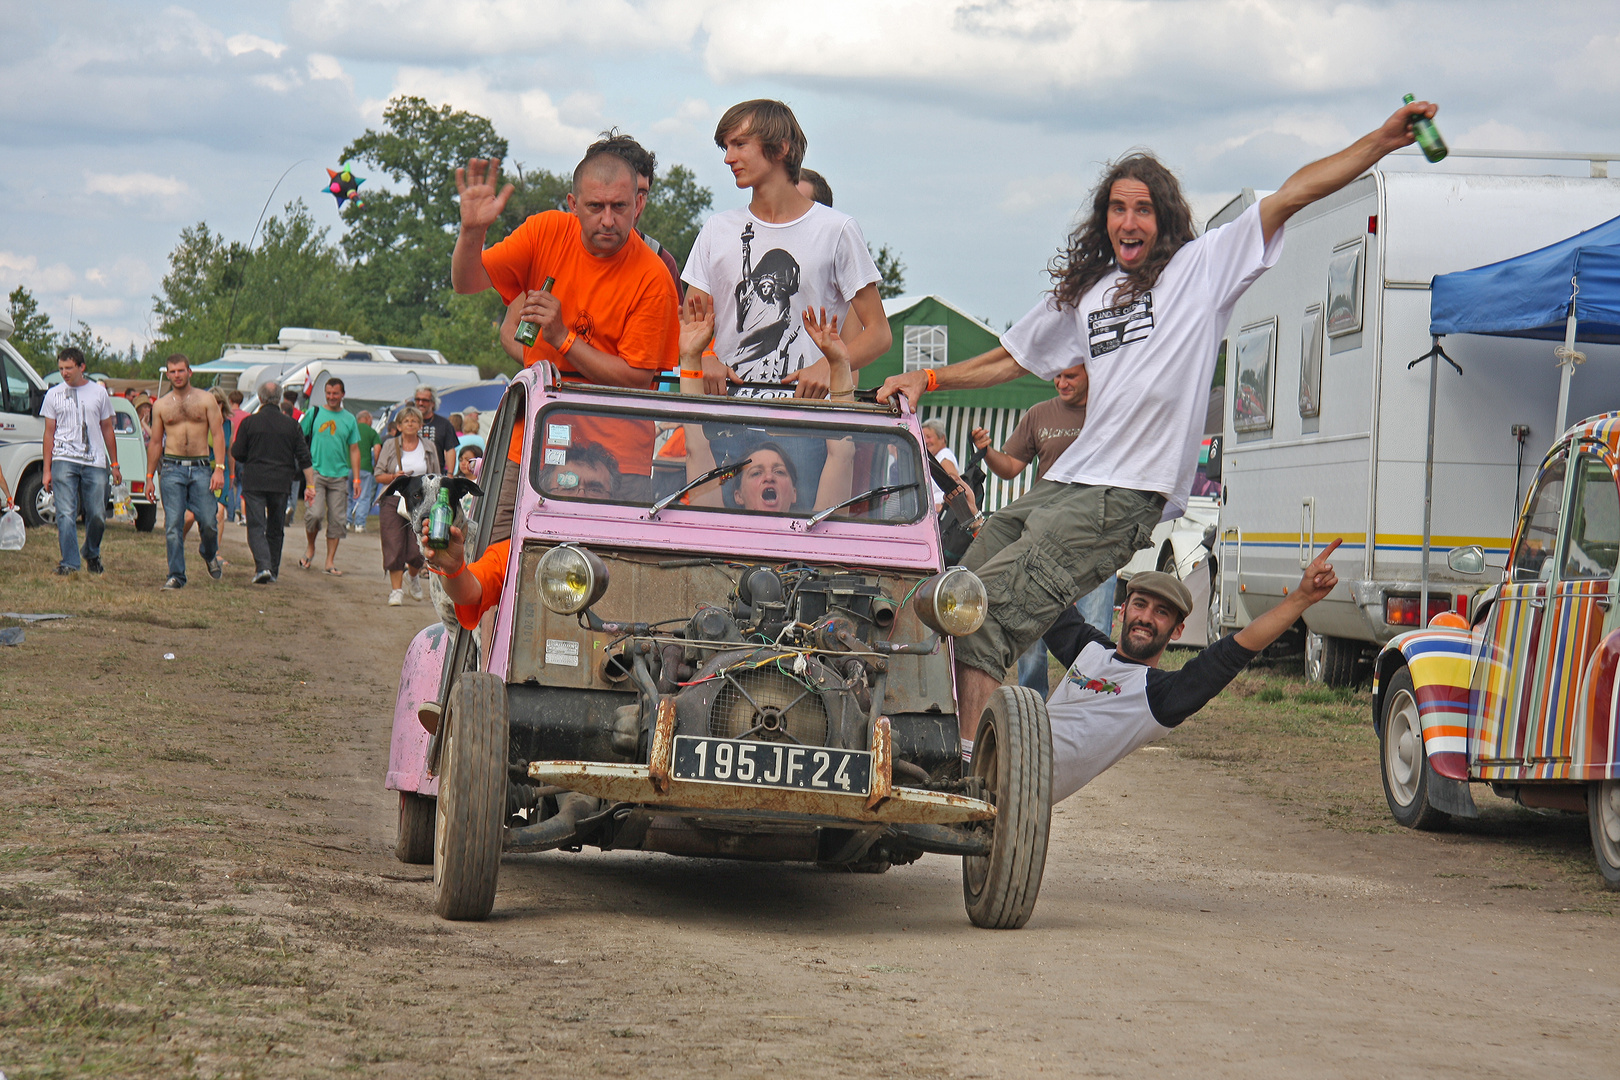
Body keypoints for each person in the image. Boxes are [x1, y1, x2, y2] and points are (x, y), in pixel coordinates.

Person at [877, 99, 1440, 756]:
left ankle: (967, 766)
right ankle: (913, 732)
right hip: (1063, 485)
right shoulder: (1091, 292)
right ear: (1105, 220)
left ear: (1163, 217)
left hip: (1119, 498)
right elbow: (1013, 355)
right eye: (1117, 208)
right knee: (943, 594)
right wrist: (930, 378)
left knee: (982, 614)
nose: (1128, 220)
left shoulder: (1201, 270)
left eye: (1142, 208)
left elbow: (1291, 196)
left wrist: (1380, 140)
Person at [453, 147, 679, 499]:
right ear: (573, 204)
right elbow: (467, 282)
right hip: (532, 442)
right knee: (500, 548)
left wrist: (562, 338)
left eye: (619, 207)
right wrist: (472, 231)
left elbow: (636, 378)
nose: (608, 220)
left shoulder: (654, 275)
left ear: (637, 204)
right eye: (595, 207)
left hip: (617, 459)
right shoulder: (545, 232)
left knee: (605, 556)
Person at [1037, 543, 1340, 799]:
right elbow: (1042, 597)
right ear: (1124, 609)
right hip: (1007, 738)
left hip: (1026, 782)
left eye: (1161, 612)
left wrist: (1300, 598)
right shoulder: (1088, 649)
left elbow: (1232, 652)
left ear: (1177, 630)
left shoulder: (1157, 696)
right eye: (1140, 605)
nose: (1145, 617)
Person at [683, 99, 890, 400]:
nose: (728, 158)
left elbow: (879, 334)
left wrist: (828, 366)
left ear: (781, 149)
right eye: (725, 147)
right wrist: (704, 358)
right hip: (726, 416)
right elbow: (692, 323)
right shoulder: (717, 229)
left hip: (806, 420)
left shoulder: (837, 229)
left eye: (740, 144)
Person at [970, 364, 1113, 694]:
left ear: (1092, 371)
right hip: (1044, 537)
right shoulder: (1039, 414)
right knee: (1029, 632)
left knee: (1091, 633)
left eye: (1071, 376)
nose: (1061, 383)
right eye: (1057, 376)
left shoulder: (1109, 412)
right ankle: (1031, 704)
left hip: (1096, 540)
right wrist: (987, 452)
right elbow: (1010, 467)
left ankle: (1088, 706)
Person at [40, 347, 121, 576]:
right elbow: (48, 433)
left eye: (69, 368)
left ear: (81, 367)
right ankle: (69, 562)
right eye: (61, 369)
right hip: (63, 458)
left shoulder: (98, 393)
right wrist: (47, 469)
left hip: (94, 460)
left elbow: (107, 428)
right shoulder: (53, 394)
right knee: (65, 512)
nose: (64, 373)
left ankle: (91, 551)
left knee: (96, 514)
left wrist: (114, 464)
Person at [147, 353, 225, 590]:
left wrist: (219, 469)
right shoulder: (161, 405)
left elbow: (219, 435)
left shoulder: (206, 399)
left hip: (201, 468)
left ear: (189, 372)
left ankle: (209, 552)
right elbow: (155, 442)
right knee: (173, 524)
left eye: (181, 370)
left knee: (209, 521)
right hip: (172, 468)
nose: (177, 375)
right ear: (167, 374)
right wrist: (150, 477)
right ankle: (176, 575)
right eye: (172, 371)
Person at [231, 380, 315, 584]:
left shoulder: (249, 423)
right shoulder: (292, 425)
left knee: (256, 525)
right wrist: (310, 485)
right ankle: (273, 570)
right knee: (276, 527)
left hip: (255, 481)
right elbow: (304, 457)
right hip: (281, 482)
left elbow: (238, 453)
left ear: (260, 398)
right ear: (279, 399)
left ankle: (263, 567)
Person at [587, 128, 684, 295]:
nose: (636, 204)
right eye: (626, 192)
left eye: (642, 193)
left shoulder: (660, 261)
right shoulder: (553, 250)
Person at [298, 377, 361, 575]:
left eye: (335, 393)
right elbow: (299, 437)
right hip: (316, 472)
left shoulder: (350, 419)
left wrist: (357, 478)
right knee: (314, 514)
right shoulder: (314, 413)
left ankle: (329, 561)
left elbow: (354, 449)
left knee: (337, 520)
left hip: (340, 475)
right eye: (329, 393)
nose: (332, 397)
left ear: (343, 394)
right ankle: (311, 547)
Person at [373, 405, 431, 606]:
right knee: (393, 544)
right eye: (406, 421)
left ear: (420, 425)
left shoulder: (429, 447)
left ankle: (413, 576)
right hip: (393, 499)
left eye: (414, 420)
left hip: (421, 503)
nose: (410, 424)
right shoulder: (390, 445)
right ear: (398, 425)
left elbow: (436, 474)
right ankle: (396, 590)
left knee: (418, 548)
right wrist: (393, 477)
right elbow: (378, 474)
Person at [921, 418, 977, 516]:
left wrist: (942, 507)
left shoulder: (944, 456)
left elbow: (954, 485)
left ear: (942, 438)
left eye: (929, 437)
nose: (925, 441)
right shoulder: (936, 458)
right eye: (923, 437)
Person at [408, 387, 460, 475]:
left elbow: (450, 449)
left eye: (424, 400)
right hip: (410, 475)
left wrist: (450, 474)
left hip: (435, 474)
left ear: (433, 403)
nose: (420, 403)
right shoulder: (407, 423)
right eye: (418, 400)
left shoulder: (444, 424)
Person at [349, 410, 382, 533]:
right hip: (365, 467)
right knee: (364, 497)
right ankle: (359, 524)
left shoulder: (351, 429)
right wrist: (377, 465)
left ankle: (346, 522)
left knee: (347, 495)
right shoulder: (372, 432)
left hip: (348, 466)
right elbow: (377, 449)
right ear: (367, 419)